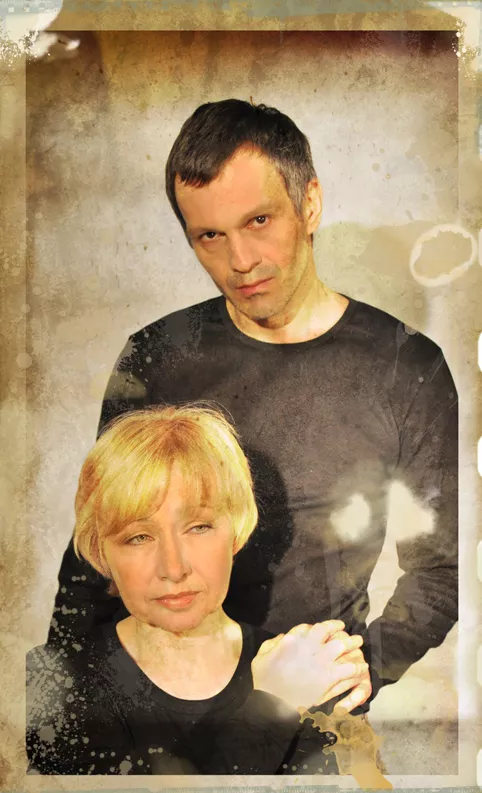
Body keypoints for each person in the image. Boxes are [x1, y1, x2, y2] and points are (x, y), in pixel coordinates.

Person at [49, 99, 458, 715]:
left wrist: (367, 667)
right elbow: (97, 548)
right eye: (210, 236)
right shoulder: (157, 355)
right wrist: (62, 701)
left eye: (259, 220)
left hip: (310, 715)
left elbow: (439, 571)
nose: (240, 261)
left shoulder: (407, 366)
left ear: (310, 203)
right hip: (162, 712)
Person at [27, 405, 371, 776]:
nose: (174, 569)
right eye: (139, 537)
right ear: (100, 552)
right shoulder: (54, 681)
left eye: (198, 528)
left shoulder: (307, 669)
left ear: (236, 531)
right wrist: (272, 710)